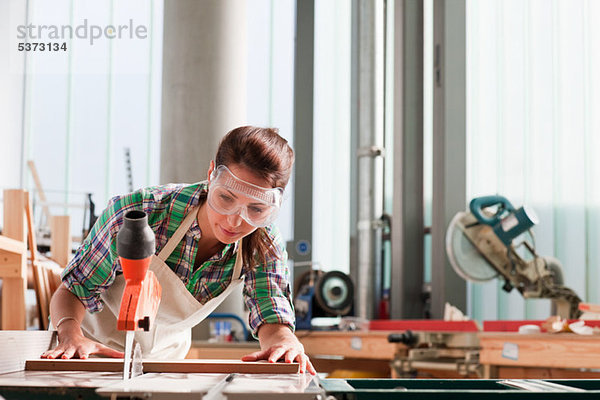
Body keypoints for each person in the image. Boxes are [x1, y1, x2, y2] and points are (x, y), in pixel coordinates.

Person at [42, 126, 315, 375]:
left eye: (255, 209)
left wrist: (285, 343)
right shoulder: (140, 213)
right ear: (211, 175)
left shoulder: (263, 242)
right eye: (226, 198)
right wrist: (69, 335)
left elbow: (271, 316)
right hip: (90, 355)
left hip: (164, 366)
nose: (234, 221)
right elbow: (73, 290)